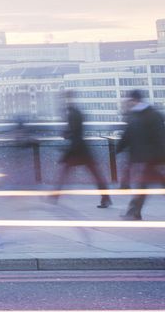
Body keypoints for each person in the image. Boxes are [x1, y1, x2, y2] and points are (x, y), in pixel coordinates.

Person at [50, 91, 112, 208]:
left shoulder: (72, 114)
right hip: (81, 149)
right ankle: (106, 198)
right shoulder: (75, 112)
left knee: (65, 173)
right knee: (95, 174)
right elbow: (76, 131)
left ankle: (54, 196)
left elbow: (75, 132)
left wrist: (67, 136)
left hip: (77, 149)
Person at [117, 89, 165, 221]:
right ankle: (134, 212)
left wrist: (162, 159)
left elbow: (160, 138)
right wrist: (119, 147)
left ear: (135, 100)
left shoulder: (152, 115)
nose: (127, 103)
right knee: (144, 186)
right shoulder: (134, 115)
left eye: (129, 100)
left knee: (144, 186)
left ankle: (134, 212)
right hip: (144, 159)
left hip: (152, 158)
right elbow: (128, 135)